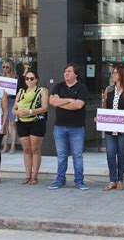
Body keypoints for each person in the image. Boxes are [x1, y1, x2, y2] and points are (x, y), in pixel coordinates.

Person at [48, 63, 89, 191]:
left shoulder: (82, 87)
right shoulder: (58, 86)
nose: (66, 73)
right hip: (60, 127)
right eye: (65, 71)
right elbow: (52, 101)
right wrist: (70, 100)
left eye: (69, 71)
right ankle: (60, 180)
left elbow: (78, 105)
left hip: (77, 128)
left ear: (76, 74)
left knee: (77, 155)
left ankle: (79, 181)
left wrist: (61, 102)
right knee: (61, 155)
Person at [100, 65, 124, 191]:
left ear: (122, 74)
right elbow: (105, 108)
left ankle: (120, 180)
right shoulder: (108, 90)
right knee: (110, 153)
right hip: (110, 125)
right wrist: (100, 117)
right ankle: (112, 180)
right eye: (113, 72)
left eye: (116, 73)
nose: (113, 75)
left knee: (121, 153)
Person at [13, 70, 48, 185]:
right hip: (22, 122)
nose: (29, 80)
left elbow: (44, 108)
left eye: (32, 78)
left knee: (35, 149)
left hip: (36, 122)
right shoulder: (21, 91)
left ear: (36, 79)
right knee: (26, 150)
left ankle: (34, 176)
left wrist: (29, 111)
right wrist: (17, 113)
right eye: (27, 78)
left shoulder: (42, 91)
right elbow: (14, 108)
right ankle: (27, 175)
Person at [1, 59, 17, 154]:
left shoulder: (15, 77)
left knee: (12, 124)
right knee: (5, 124)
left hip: (12, 100)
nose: (5, 69)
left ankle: (13, 145)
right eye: (3, 67)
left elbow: (19, 90)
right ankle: (5, 145)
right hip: (3, 101)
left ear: (11, 67)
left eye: (7, 67)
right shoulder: (0, 77)